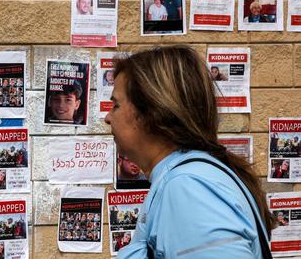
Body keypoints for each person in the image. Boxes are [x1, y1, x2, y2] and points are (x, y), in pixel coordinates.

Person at [105, 46, 272, 258]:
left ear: (150, 113)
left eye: (116, 105)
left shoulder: (188, 186)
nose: (108, 118)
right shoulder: (188, 177)